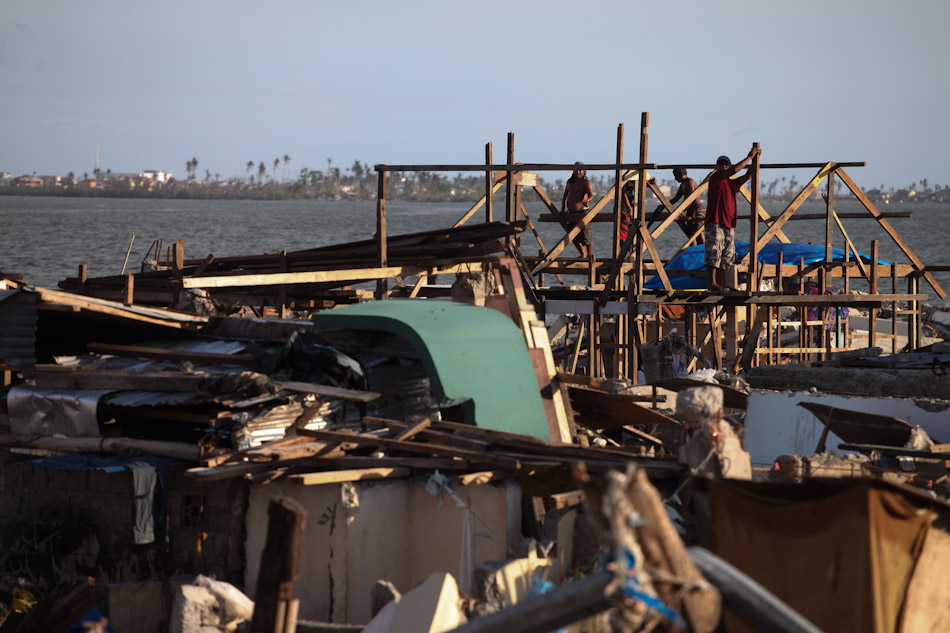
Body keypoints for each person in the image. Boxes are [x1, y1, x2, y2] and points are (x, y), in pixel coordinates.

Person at [705, 147, 761, 290]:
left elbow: (748, 175)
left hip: (728, 222)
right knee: (714, 250)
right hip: (716, 221)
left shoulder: (731, 184)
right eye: (721, 164)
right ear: (717, 167)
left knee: (727, 253)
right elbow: (736, 170)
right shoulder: (716, 178)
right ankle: (712, 283)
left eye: (725, 165)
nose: (723, 166)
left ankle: (720, 282)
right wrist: (749, 157)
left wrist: (755, 160)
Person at [646, 169, 705, 243]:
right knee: (691, 234)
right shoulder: (682, 184)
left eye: (676, 176)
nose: (675, 178)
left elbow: (690, 199)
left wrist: (682, 210)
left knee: (697, 232)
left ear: (681, 175)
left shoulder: (690, 182)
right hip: (690, 210)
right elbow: (676, 198)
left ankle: (702, 250)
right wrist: (664, 206)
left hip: (696, 209)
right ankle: (694, 250)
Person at [561, 162, 594, 258]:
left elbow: (591, 194)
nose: (578, 172)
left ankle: (589, 255)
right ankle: (582, 254)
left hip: (582, 212)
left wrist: (588, 200)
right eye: (576, 170)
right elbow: (565, 196)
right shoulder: (570, 182)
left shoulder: (586, 182)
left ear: (584, 172)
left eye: (580, 170)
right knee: (573, 236)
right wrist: (563, 208)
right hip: (571, 213)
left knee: (587, 236)